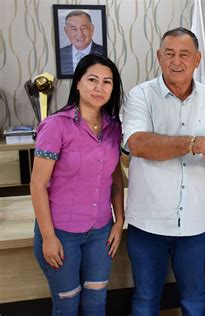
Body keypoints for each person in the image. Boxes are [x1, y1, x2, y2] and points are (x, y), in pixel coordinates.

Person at [122, 27, 205, 315]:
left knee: (195, 299)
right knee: (145, 300)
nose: (176, 61)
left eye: (184, 54)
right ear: (159, 57)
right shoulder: (140, 96)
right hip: (148, 222)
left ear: (197, 59)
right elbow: (137, 143)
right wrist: (192, 143)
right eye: (169, 54)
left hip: (196, 221)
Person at [31, 53, 124, 315]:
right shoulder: (55, 126)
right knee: (67, 305)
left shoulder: (113, 127)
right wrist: (48, 237)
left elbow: (115, 176)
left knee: (96, 304)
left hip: (100, 234)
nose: (100, 87)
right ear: (78, 83)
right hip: (61, 234)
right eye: (92, 79)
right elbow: (37, 186)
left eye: (107, 82)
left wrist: (119, 221)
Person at [60, 10, 104, 75]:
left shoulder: (103, 52)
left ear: (92, 29)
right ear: (66, 31)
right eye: (74, 29)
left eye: (83, 28)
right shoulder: (61, 54)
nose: (80, 34)